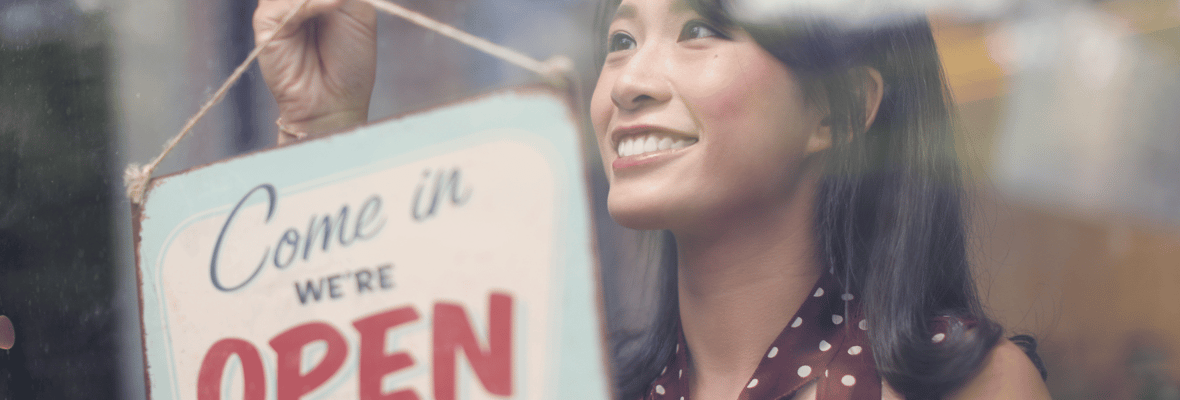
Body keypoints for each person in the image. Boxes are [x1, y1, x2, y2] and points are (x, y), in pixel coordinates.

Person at [253, 0, 1052, 398]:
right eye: (621, 42)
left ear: (838, 111)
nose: (629, 83)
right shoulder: (566, 382)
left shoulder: (977, 387)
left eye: (699, 31)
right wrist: (318, 126)